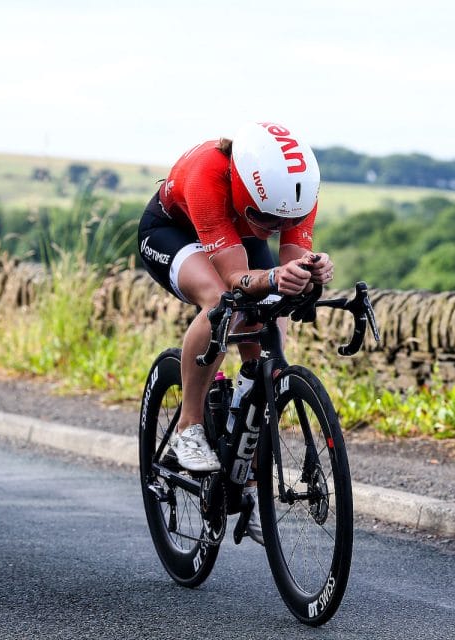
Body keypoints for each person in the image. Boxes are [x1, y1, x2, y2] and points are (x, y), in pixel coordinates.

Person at [137, 121, 334, 542]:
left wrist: (311, 273)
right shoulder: (210, 173)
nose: (272, 227)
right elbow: (235, 280)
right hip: (174, 231)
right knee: (218, 302)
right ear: (245, 188)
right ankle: (189, 425)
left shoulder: (294, 191)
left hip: (234, 233)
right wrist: (274, 277)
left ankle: (245, 453)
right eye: (263, 217)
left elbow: (290, 263)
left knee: (272, 316)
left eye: (283, 221)